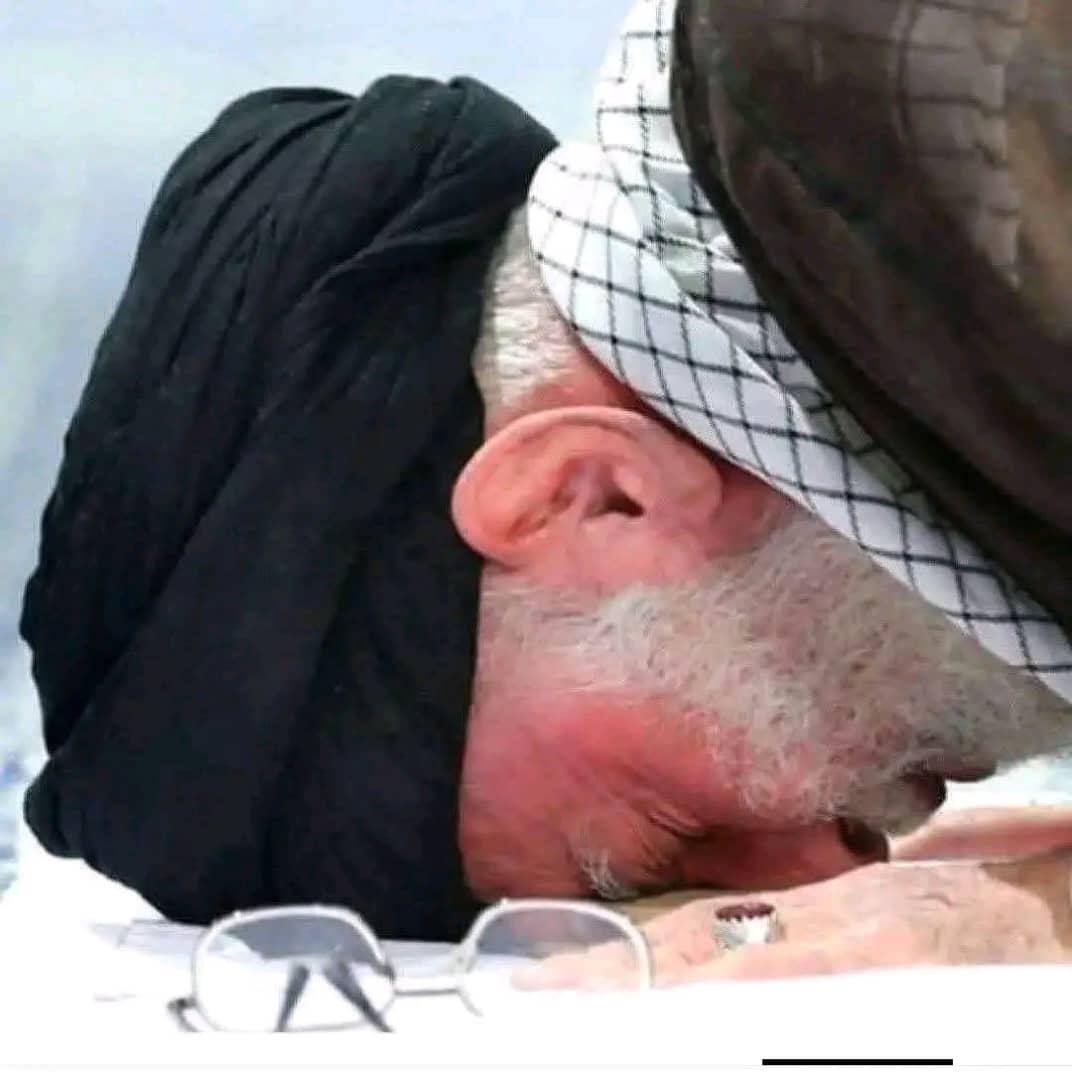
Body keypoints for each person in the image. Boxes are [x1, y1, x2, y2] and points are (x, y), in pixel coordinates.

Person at [18, 0, 1072, 978]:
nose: (837, 879)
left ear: (590, 494)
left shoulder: (938, 81)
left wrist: (1037, 916)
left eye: (667, 837)